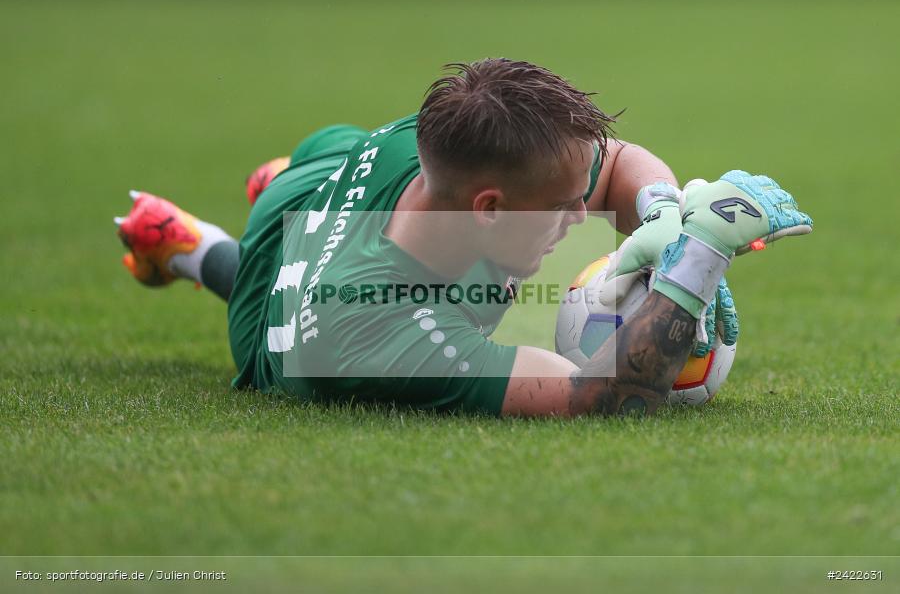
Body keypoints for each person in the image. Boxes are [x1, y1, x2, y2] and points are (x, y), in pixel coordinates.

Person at [115, 58, 812, 417]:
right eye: (568, 208)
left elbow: (619, 160)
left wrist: (663, 209)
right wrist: (699, 258)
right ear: (487, 208)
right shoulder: (375, 335)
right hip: (280, 300)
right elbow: (604, 397)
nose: (583, 221)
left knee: (309, 166)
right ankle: (196, 248)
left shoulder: (445, 146)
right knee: (257, 273)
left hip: (337, 168)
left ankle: (276, 182)